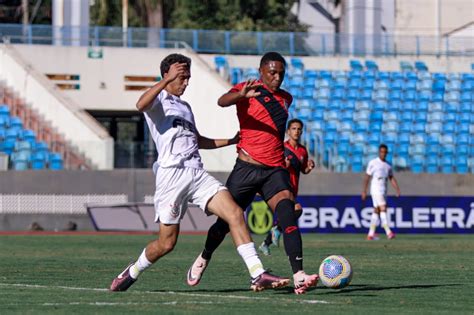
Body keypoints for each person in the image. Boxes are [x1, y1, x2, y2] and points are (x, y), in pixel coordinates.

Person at [110, 53, 289, 292]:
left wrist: (231, 140)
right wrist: (165, 81)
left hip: (196, 173)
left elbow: (197, 140)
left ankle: (258, 273)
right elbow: (140, 104)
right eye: (181, 78)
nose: (185, 83)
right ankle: (132, 271)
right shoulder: (158, 99)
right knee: (167, 243)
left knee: (235, 212)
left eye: (187, 78)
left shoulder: (185, 107)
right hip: (171, 176)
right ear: (167, 75)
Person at [186, 52, 318, 295]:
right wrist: (241, 95)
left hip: (274, 170)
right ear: (261, 71)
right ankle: (205, 256)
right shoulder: (248, 89)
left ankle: (299, 275)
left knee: (288, 213)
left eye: (281, 73)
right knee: (225, 222)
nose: (277, 77)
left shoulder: (286, 98)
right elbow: (222, 101)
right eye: (272, 73)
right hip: (246, 168)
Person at [259, 118, 315, 256]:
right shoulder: (282, 148)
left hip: (294, 188)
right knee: (297, 210)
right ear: (288, 131)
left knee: (290, 216)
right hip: (282, 187)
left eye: (299, 129)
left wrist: (309, 167)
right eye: (294, 129)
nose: (296, 131)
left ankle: (266, 242)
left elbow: (303, 170)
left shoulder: (302, 151)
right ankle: (276, 230)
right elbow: (272, 167)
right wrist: (284, 165)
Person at [361, 144, 401, 240]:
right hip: (375, 188)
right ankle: (388, 232)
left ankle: (370, 234)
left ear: (387, 153)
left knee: (377, 210)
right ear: (379, 152)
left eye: (385, 152)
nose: (383, 154)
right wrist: (364, 191)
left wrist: (397, 189)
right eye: (381, 152)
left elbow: (391, 178)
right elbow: (367, 177)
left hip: (384, 189)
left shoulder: (388, 165)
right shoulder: (373, 163)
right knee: (383, 208)